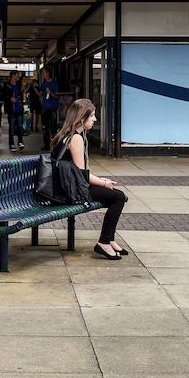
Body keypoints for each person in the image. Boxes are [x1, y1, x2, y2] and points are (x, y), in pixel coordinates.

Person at [52, 98, 127, 260]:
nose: (95, 119)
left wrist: (99, 180)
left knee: (114, 197)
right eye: (92, 116)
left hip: (62, 186)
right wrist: (103, 182)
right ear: (81, 118)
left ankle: (110, 239)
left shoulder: (66, 133)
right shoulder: (76, 138)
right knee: (119, 197)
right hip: (67, 191)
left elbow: (79, 173)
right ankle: (104, 242)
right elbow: (81, 175)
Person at [40, 68, 59, 150]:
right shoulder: (43, 84)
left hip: (53, 108)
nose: (42, 74)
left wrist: (50, 93)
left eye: (43, 73)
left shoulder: (54, 84)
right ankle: (47, 144)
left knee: (53, 127)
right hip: (45, 107)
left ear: (48, 73)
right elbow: (41, 94)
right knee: (45, 127)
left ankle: (54, 144)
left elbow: (57, 96)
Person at [6, 71, 25, 151]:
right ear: (12, 76)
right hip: (11, 109)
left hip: (19, 108)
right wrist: (9, 98)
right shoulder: (7, 86)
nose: (18, 77)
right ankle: (11, 143)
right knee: (12, 127)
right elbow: (4, 95)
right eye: (17, 75)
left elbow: (20, 95)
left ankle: (20, 142)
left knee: (20, 126)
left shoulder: (19, 85)